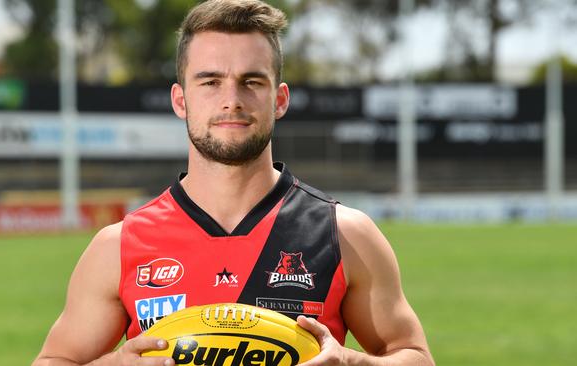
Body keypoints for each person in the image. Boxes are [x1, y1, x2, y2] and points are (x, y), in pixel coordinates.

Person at [33, 0, 434, 365]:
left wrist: (352, 362)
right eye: (210, 82)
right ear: (180, 99)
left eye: (251, 81)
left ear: (279, 99)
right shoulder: (118, 246)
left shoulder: (345, 235)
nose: (232, 100)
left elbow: (415, 356)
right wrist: (116, 364)